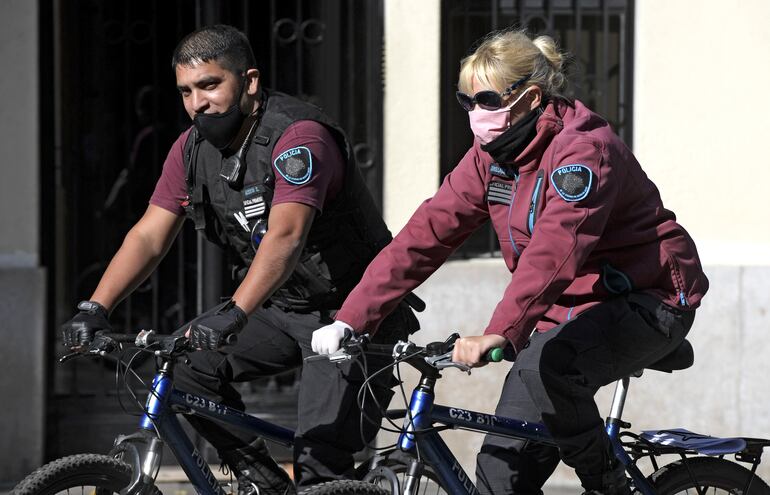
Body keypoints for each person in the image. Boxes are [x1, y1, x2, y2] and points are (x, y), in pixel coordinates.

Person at [312, 29, 708, 495]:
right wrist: (352, 318)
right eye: (466, 101)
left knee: (547, 368)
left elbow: (556, 250)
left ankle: (608, 483)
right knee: (501, 472)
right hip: (564, 310)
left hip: (649, 298)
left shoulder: (583, 152)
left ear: (530, 97)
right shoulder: (493, 156)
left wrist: (500, 330)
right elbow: (426, 235)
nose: (475, 114)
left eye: (487, 100)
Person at [61, 24, 418, 494]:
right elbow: (149, 234)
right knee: (180, 367)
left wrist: (236, 311)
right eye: (186, 91)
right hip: (281, 306)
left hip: (351, 314)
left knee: (320, 465)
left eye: (210, 85)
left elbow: (286, 236)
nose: (197, 103)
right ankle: (265, 483)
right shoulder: (192, 150)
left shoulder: (299, 138)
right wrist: (96, 307)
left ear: (249, 81)